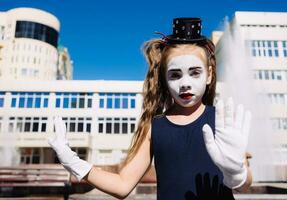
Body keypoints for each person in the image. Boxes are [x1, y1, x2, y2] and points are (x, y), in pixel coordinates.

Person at [48, 17, 252, 200]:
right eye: (175, 74)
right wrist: (71, 161)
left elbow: (245, 185)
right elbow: (122, 185)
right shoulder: (155, 127)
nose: (185, 84)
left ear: (208, 75)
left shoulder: (224, 121)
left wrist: (237, 174)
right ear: (164, 79)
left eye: (195, 73)